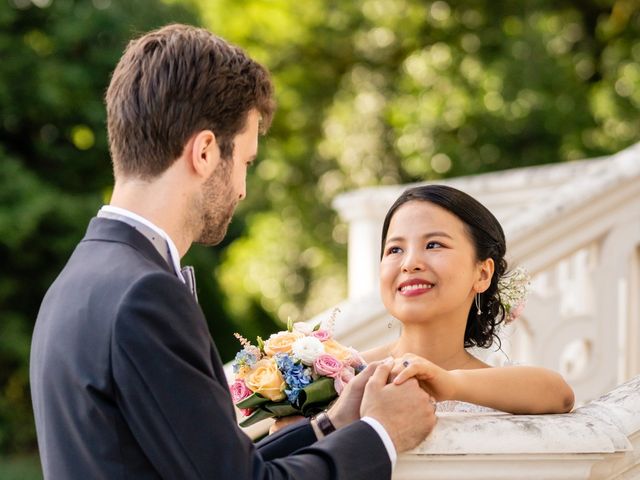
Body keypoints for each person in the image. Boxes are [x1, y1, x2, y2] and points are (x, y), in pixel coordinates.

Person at [29, 24, 436, 480]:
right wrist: (382, 434)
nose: (243, 189)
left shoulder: (77, 282)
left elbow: (208, 463)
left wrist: (333, 424)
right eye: (245, 162)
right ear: (205, 152)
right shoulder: (144, 295)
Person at [365, 184, 575, 414]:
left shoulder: (499, 389)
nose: (409, 263)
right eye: (395, 250)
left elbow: (561, 395)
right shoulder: (342, 372)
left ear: (483, 273)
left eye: (433, 245)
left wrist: (449, 383)